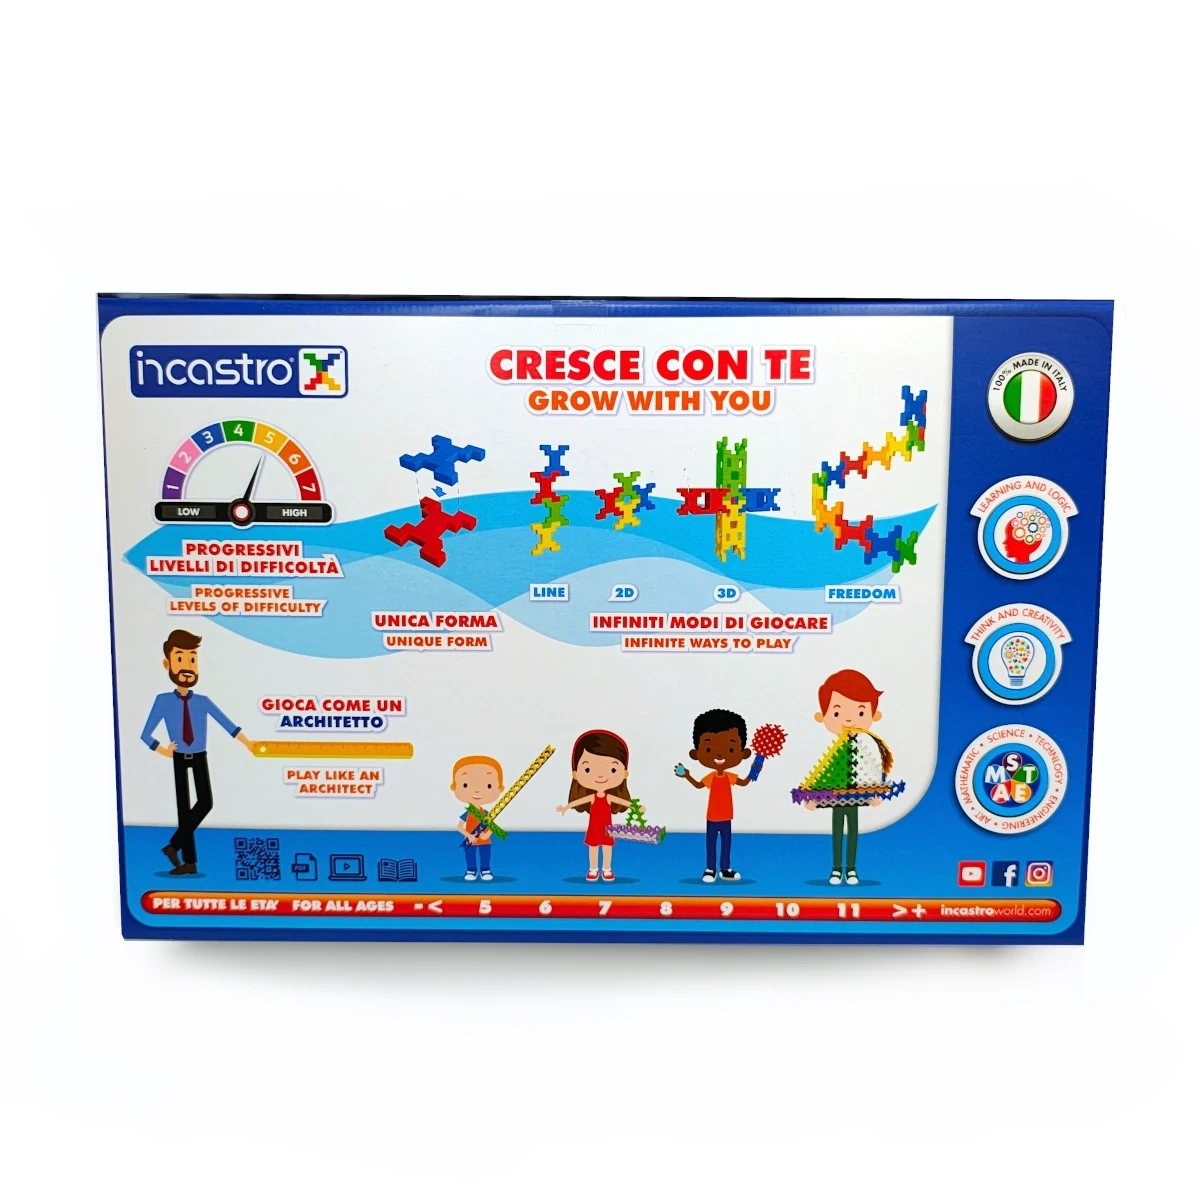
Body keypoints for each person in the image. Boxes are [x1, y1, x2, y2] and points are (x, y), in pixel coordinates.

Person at [139, 630, 254, 875]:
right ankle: (189, 863)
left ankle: (173, 846)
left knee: (205, 803)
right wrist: (163, 751)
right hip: (179, 757)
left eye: (192, 659)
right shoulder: (162, 701)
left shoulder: (203, 701)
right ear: (167, 664)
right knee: (183, 809)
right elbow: (146, 734)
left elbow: (227, 724)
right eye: (180, 659)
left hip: (200, 755)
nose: (187, 666)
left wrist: (249, 743)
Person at [799, 670, 893, 885]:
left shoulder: (864, 751)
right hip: (834, 798)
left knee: (853, 833)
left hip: (856, 798)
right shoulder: (835, 754)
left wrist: (874, 796)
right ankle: (836, 869)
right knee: (836, 833)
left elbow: (872, 773)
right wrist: (813, 798)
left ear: (874, 715)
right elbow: (825, 775)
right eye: (837, 713)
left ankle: (851, 869)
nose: (849, 719)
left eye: (860, 712)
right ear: (822, 716)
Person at [674, 708, 752, 882]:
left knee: (726, 844)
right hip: (712, 817)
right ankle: (710, 869)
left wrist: (755, 771)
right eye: (709, 749)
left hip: (726, 817)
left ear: (743, 753)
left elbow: (744, 782)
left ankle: (725, 868)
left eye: (730, 749)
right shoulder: (711, 777)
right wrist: (686, 775)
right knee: (711, 844)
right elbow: (698, 785)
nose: (719, 754)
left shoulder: (729, 776)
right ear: (696, 754)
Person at [556, 730, 631, 882]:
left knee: (607, 847)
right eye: (588, 769)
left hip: (607, 829)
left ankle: (607, 869)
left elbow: (623, 802)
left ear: (624, 773)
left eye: (612, 769)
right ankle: (593, 869)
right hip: (594, 828)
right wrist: (566, 807)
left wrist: (635, 807)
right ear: (576, 774)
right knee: (593, 847)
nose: (600, 775)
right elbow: (578, 801)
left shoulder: (608, 798)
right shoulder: (593, 798)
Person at [451, 755, 504, 882]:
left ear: (499, 788)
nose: (477, 790)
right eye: (465, 785)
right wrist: (469, 835)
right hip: (471, 840)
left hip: (485, 841)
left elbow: (492, 827)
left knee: (485, 855)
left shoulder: (485, 814)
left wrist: (487, 834)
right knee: (470, 856)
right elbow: (459, 826)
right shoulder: (468, 813)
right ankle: (471, 870)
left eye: (488, 785)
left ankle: (485, 870)